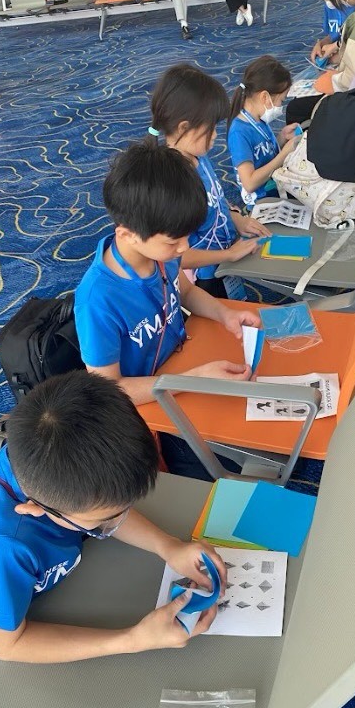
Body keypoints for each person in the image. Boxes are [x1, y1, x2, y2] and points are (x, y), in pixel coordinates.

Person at [0, 370, 226, 663]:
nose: (118, 520)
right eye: (104, 521)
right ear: (35, 508)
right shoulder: (0, 551)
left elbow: (102, 508)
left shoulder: (41, 460)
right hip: (14, 609)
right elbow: (6, 645)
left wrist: (169, 546)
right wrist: (132, 640)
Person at [74, 142, 260, 478]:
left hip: (180, 372)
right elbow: (111, 389)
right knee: (225, 465)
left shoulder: (161, 255)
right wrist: (194, 380)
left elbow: (185, 291)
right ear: (128, 235)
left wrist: (224, 314)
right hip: (149, 409)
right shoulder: (98, 300)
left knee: (251, 418)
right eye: (174, 241)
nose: (185, 248)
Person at [149, 64, 271, 298]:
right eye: (210, 128)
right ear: (184, 128)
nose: (215, 135)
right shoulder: (174, 182)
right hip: (203, 277)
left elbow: (216, 197)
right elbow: (175, 255)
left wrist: (235, 218)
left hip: (223, 259)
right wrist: (227, 255)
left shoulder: (198, 155)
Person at [227, 55, 299, 209]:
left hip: (275, 190)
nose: (280, 107)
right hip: (262, 203)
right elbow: (249, 183)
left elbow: (262, 154)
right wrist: (284, 154)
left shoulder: (259, 120)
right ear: (265, 97)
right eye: (281, 100)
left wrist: (281, 138)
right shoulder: (239, 133)